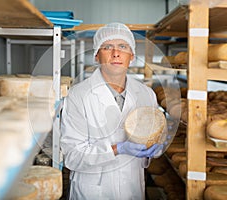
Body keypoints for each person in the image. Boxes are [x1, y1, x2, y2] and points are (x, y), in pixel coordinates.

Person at [60, 22, 164, 200]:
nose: (116, 53)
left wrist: (156, 148)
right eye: (107, 47)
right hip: (92, 192)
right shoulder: (78, 95)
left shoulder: (146, 94)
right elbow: (72, 156)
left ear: (131, 55)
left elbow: (157, 134)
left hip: (132, 189)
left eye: (123, 47)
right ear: (96, 56)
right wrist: (117, 148)